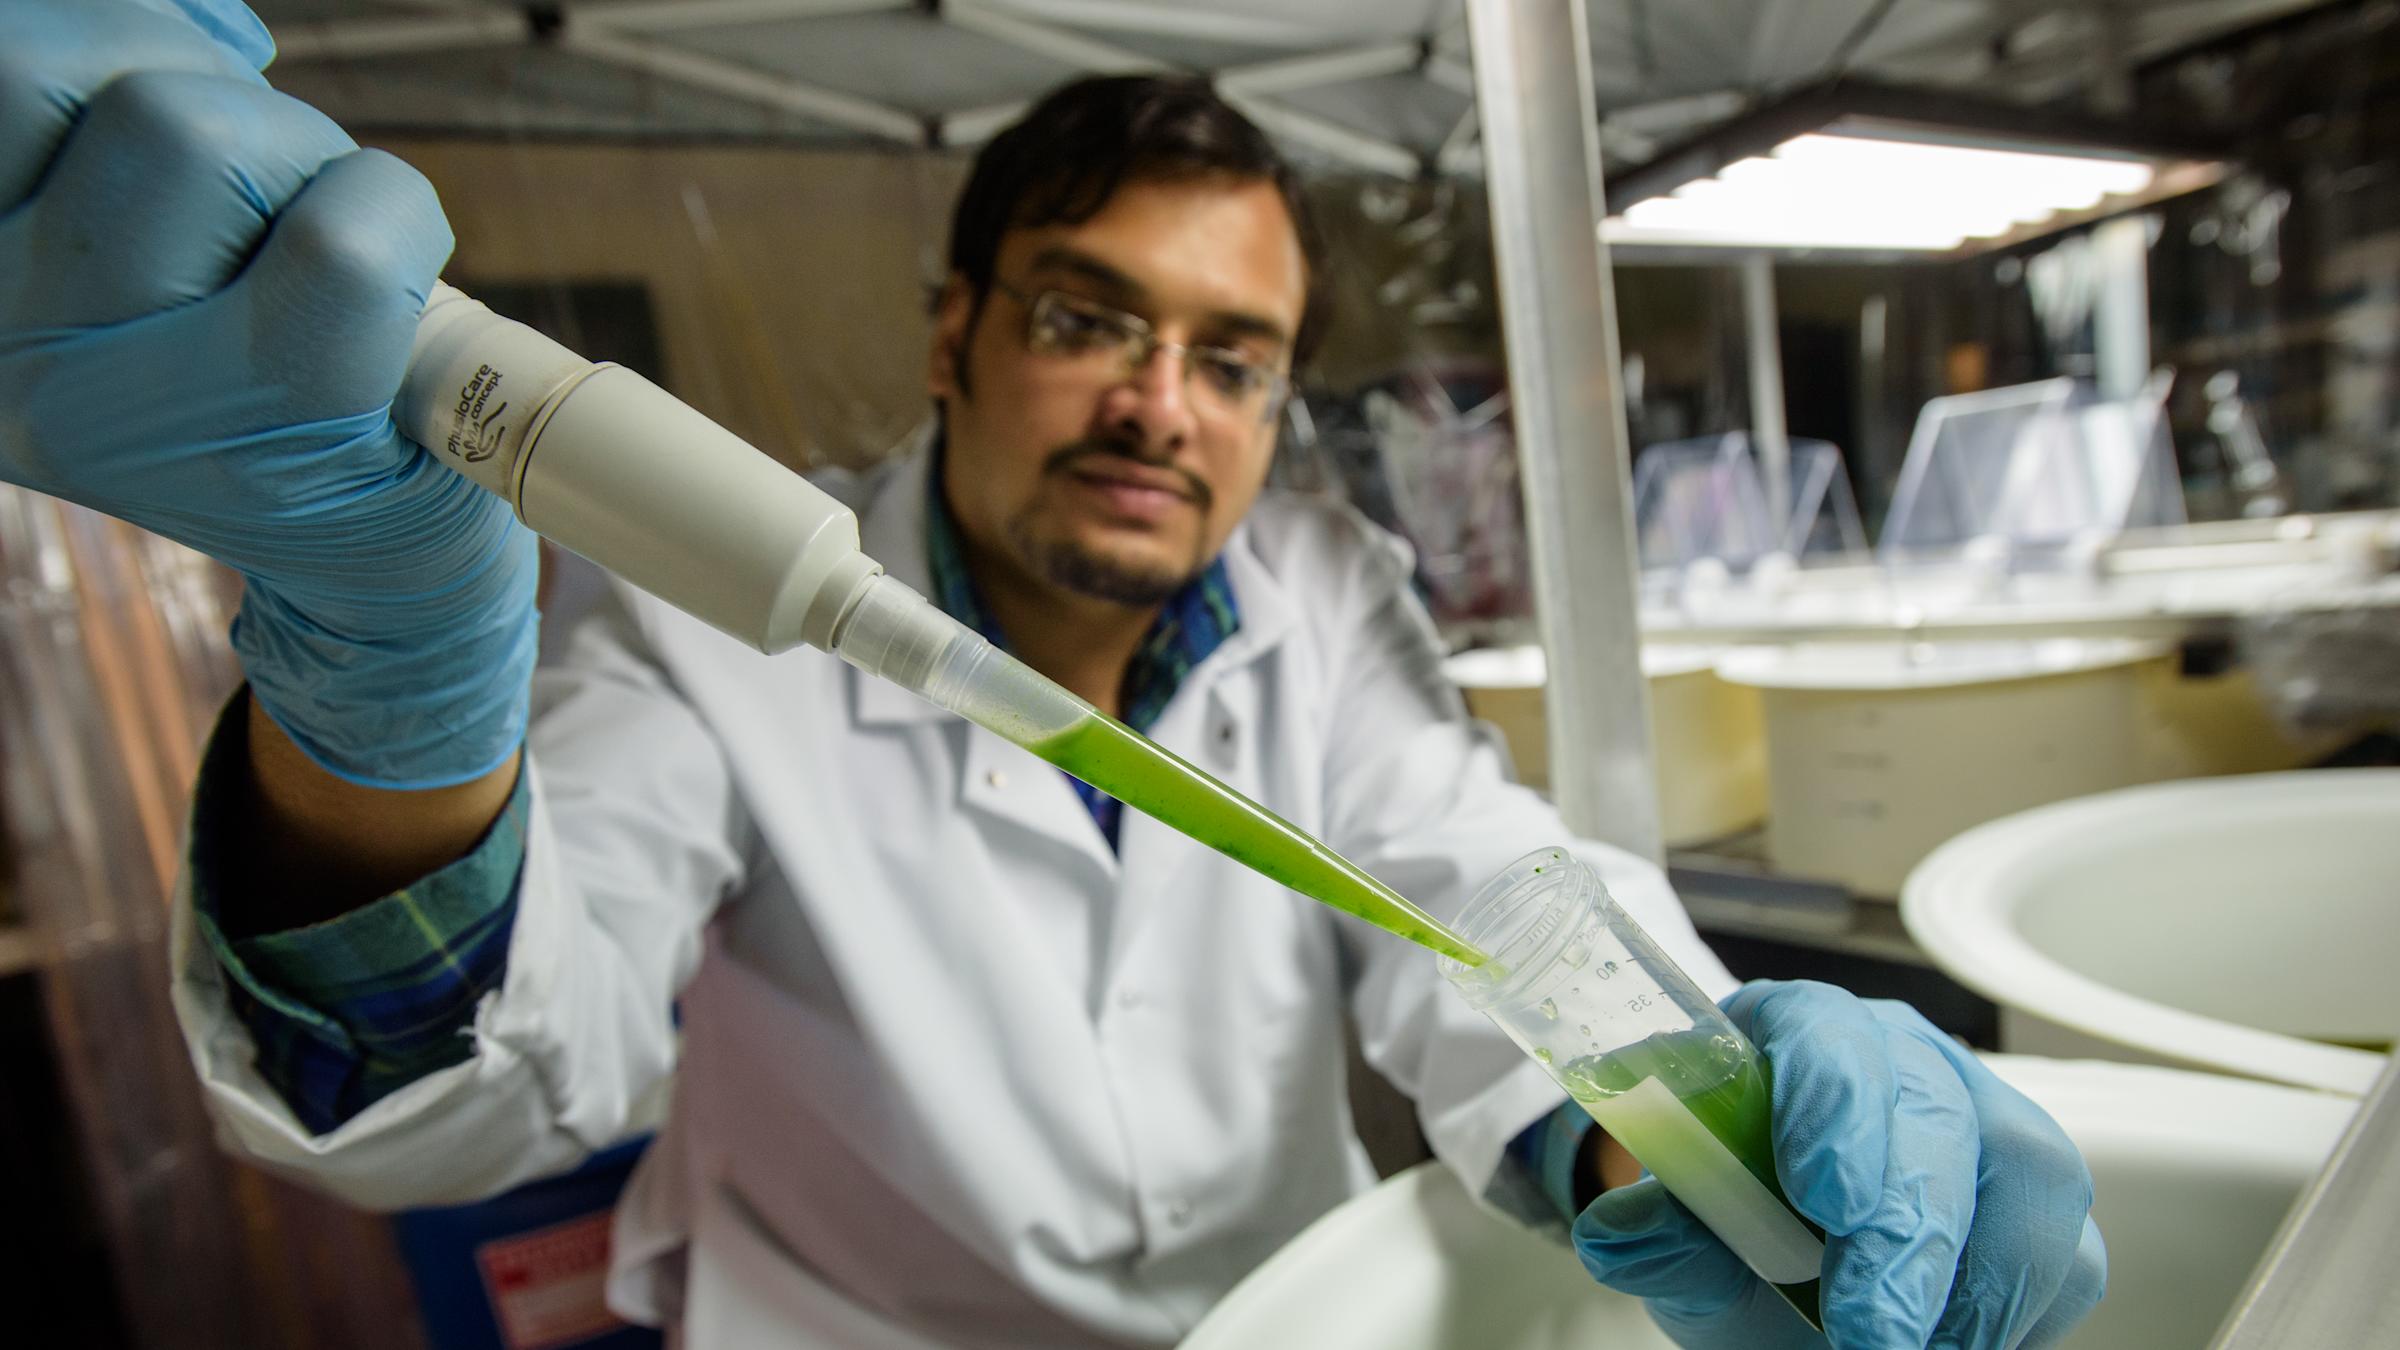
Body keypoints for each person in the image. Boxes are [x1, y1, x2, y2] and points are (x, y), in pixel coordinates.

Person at [1, 2, 2105, 1347]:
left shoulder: (1318, 588)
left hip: (1294, 1314)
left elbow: (1476, 902)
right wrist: (379, 679)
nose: (1156, 408)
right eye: (1089, 320)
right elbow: (497, 1082)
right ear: (956, 334)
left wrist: (1701, 1130)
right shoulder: (701, 616)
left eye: (1231, 357)